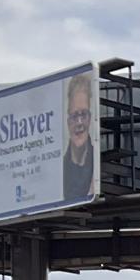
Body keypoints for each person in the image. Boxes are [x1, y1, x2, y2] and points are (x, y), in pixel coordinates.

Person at [61, 74, 95, 204]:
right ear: (68, 120)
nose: (79, 122)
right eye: (75, 115)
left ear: (90, 118)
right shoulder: (60, 170)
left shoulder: (98, 165)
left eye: (84, 114)